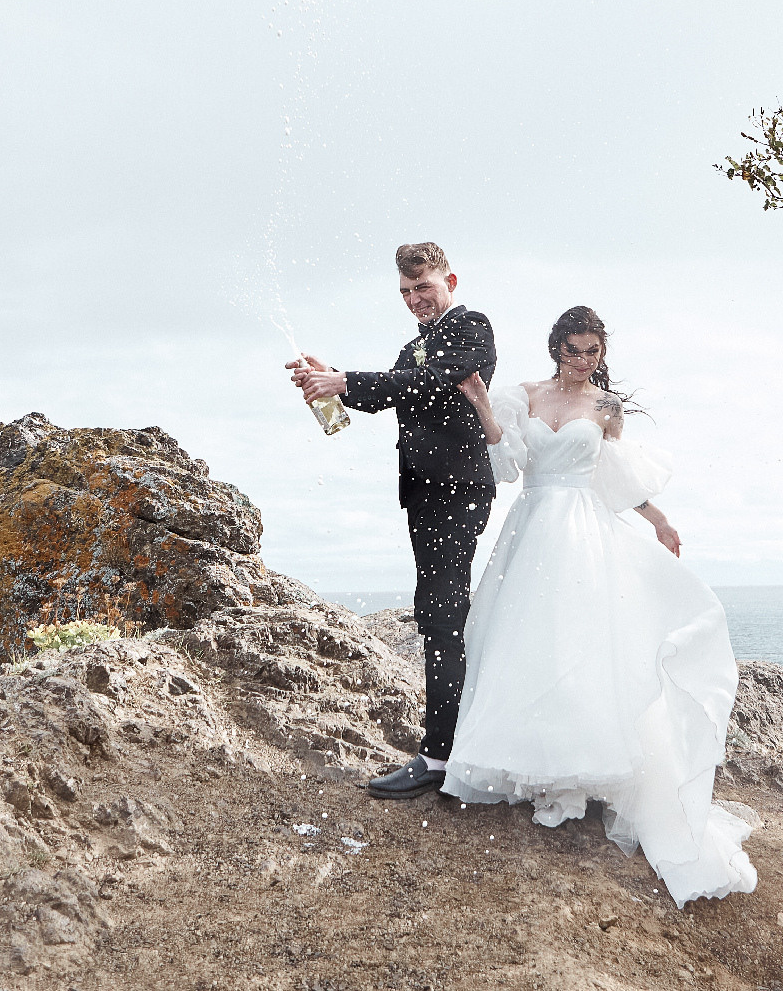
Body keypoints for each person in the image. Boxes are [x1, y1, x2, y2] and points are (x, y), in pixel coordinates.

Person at [445, 306, 757, 906]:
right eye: (573, 349)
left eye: (592, 351)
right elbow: (506, 462)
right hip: (531, 526)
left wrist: (660, 519)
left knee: (579, 645)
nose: (583, 361)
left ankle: (579, 768)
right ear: (556, 347)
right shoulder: (526, 395)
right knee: (524, 643)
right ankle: (526, 764)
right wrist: (483, 402)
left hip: (583, 534)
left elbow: (614, 481)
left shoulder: (607, 408)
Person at [287, 242, 497, 800]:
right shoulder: (413, 346)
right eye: (404, 292)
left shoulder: (472, 327)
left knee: (445, 613)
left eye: (422, 287)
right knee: (436, 613)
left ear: (450, 278)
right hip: (426, 494)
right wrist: (327, 381)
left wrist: (347, 380)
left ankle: (440, 757)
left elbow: (436, 382)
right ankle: (453, 746)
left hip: (459, 489)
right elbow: (386, 396)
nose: (413, 300)